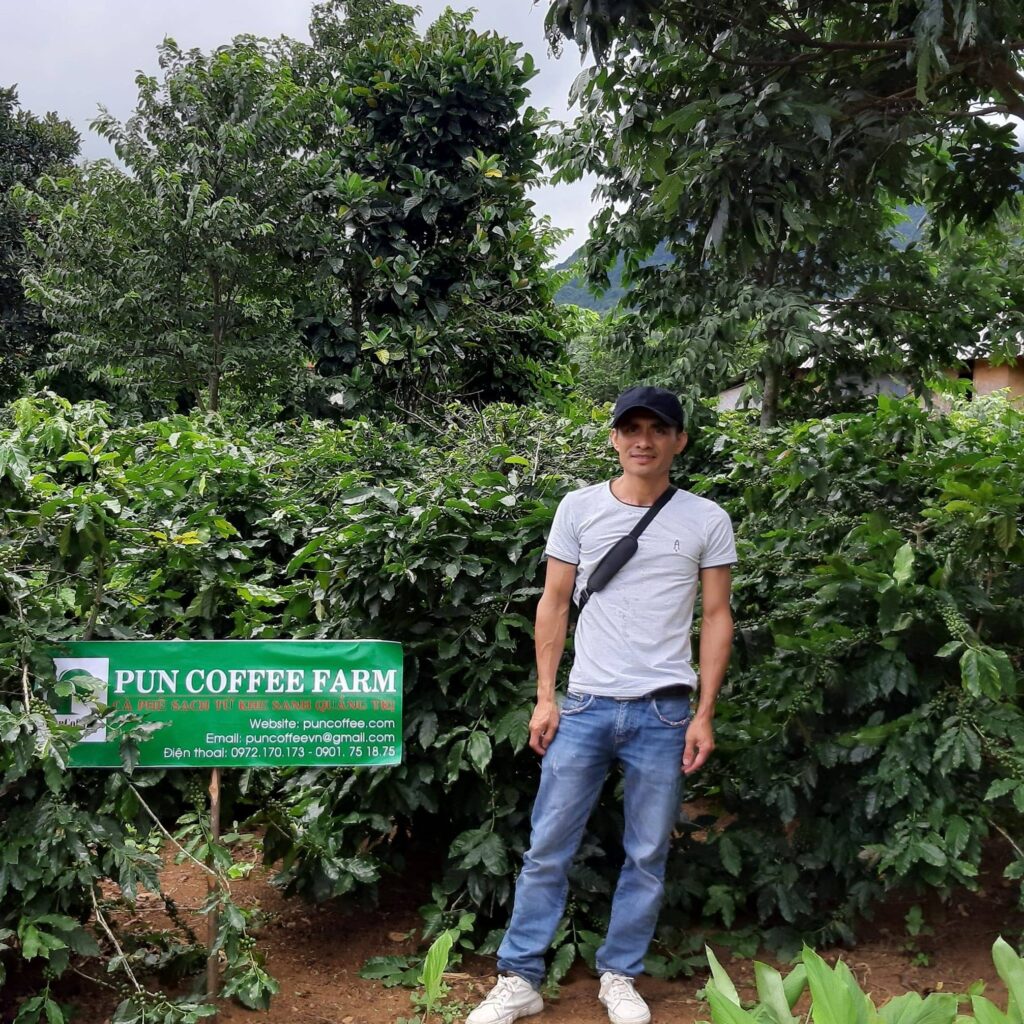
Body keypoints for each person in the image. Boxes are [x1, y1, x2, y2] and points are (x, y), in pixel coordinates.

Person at [466, 386, 736, 1024]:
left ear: (679, 441)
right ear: (614, 438)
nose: (643, 440)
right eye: (631, 428)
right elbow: (554, 602)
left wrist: (704, 712)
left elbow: (717, 616)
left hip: (665, 713)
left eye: (658, 429)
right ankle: (520, 979)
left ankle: (620, 975)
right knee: (547, 847)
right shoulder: (578, 508)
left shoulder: (706, 518)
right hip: (585, 706)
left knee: (646, 854)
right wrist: (545, 698)